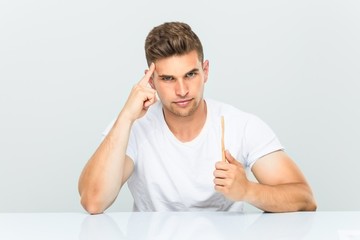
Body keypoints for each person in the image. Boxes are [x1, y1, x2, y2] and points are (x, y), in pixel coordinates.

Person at [78, 22, 317, 214]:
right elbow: (93, 201)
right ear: (151, 81)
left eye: (191, 74)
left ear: (206, 71)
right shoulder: (132, 127)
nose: (182, 90)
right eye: (168, 79)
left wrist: (248, 191)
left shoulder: (239, 124)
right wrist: (125, 118)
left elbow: (305, 199)